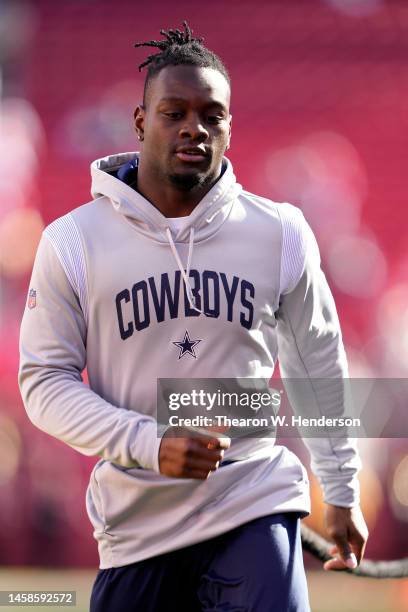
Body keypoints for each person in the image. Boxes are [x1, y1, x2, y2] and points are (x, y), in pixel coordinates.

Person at [18, 22, 368, 612]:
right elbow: (43, 382)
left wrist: (340, 488)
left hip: (253, 501)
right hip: (137, 529)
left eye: (213, 115)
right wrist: (150, 443)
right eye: (174, 112)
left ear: (231, 126)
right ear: (139, 121)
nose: (194, 129)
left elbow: (319, 364)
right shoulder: (72, 242)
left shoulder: (279, 232)